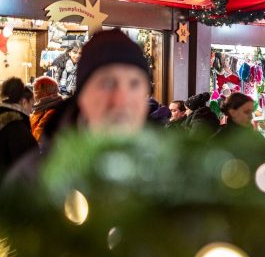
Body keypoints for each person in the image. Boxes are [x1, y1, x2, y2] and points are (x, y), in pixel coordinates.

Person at [5, 29, 152, 184]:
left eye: (135, 84)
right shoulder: (33, 179)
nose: (121, 100)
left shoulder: (169, 172)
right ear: (81, 95)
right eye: (107, 83)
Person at [0, 78, 37, 178]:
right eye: (32, 106)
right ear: (24, 102)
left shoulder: (5, 118)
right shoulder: (16, 127)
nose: (31, 111)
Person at [29, 76, 63, 143]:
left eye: (35, 91)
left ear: (45, 93)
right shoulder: (41, 107)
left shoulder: (51, 112)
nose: (33, 95)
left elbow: (37, 138)